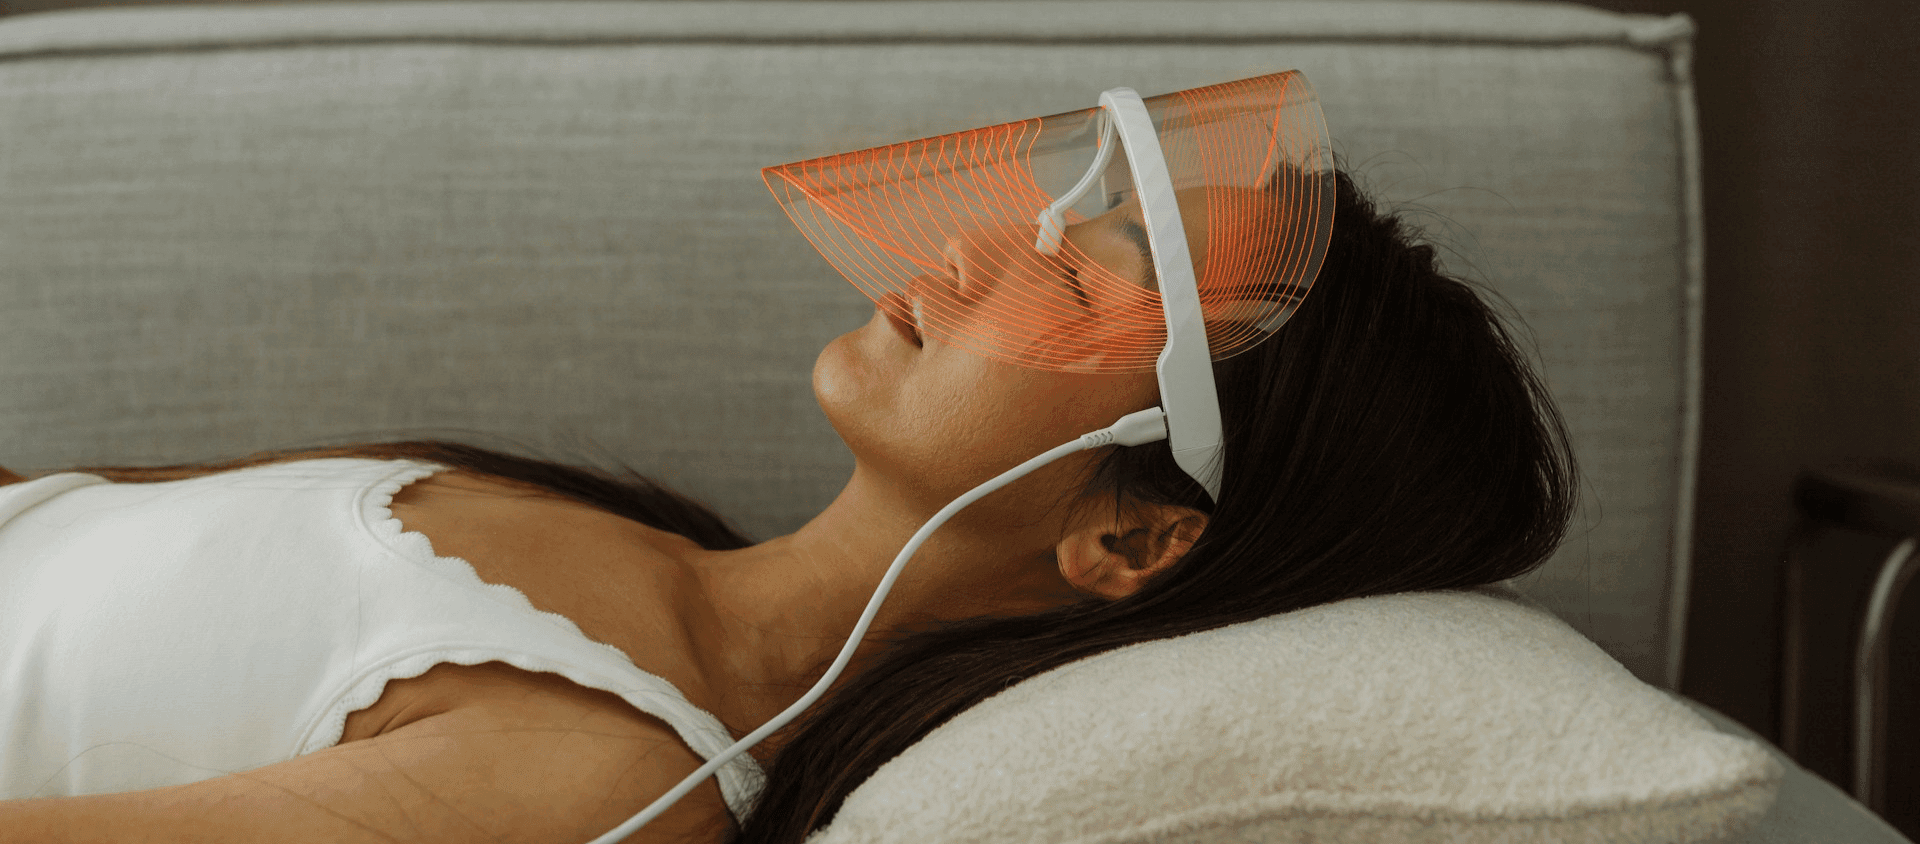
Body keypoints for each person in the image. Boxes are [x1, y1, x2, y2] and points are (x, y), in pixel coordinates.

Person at [0, 167, 1575, 844]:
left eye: (1087, 283)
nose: (976, 250)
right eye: (1065, 222)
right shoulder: (618, 541)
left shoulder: (601, 782)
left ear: (1134, 537)